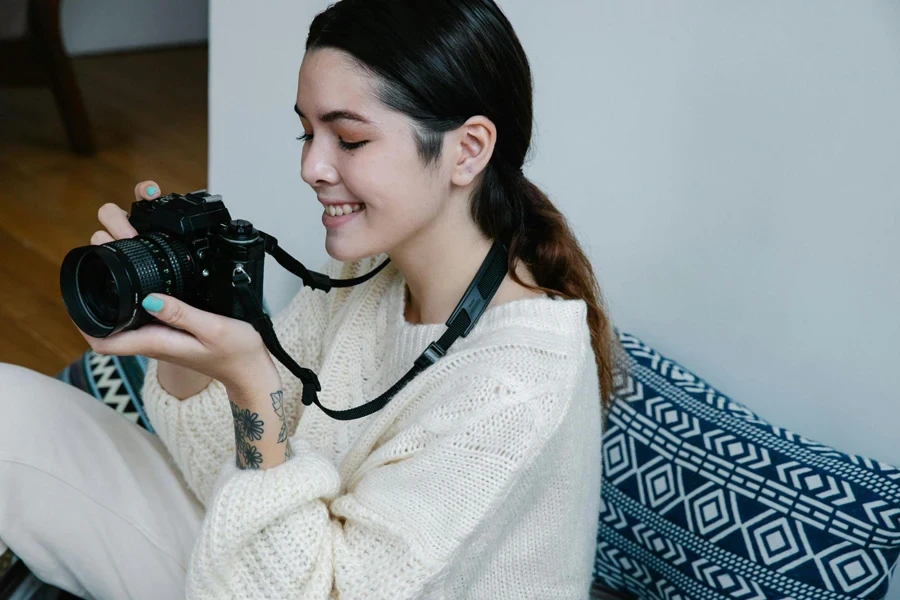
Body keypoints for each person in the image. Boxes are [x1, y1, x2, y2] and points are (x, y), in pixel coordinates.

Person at [0, 0, 624, 597]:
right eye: (306, 133)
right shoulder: (370, 276)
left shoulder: (517, 383)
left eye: (349, 140)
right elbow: (228, 471)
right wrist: (180, 335)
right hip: (274, 564)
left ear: (467, 150)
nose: (312, 168)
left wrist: (252, 389)